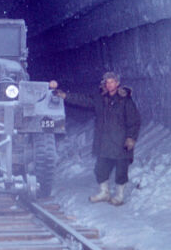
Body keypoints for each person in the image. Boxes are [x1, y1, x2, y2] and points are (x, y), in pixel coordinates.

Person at [54, 72, 141, 205]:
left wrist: (131, 138)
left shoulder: (125, 100)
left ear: (117, 83)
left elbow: (134, 120)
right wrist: (65, 95)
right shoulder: (100, 98)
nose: (109, 84)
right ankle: (104, 193)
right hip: (104, 141)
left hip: (120, 141)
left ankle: (119, 195)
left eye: (112, 81)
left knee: (121, 169)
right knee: (100, 168)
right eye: (107, 82)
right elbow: (82, 99)